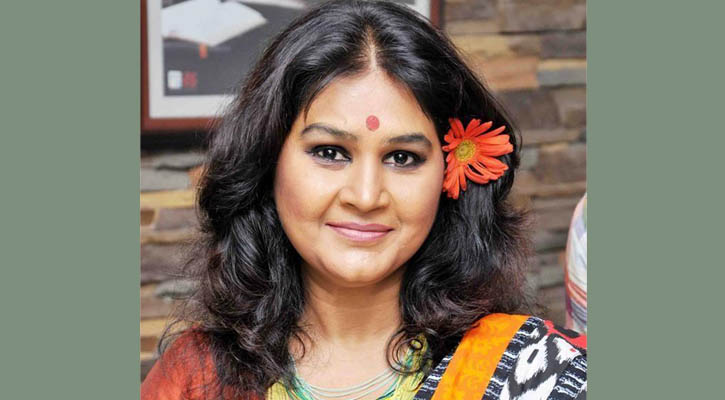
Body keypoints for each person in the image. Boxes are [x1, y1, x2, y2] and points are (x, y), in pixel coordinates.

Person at [140, 1, 587, 399]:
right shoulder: (194, 379)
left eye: (402, 157)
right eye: (330, 152)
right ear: (268, 161)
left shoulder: (536, 374)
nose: (366, 196)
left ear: (449, 175)